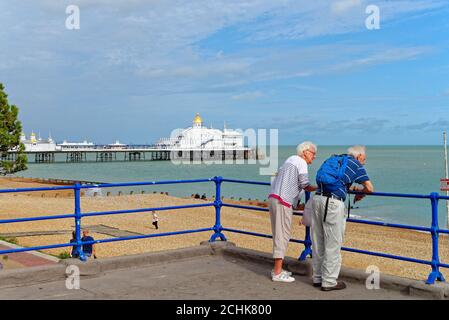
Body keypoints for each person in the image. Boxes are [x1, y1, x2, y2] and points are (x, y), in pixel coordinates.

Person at [312, 145, 374, 291]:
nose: (364, 163)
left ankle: (317, 277)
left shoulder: (335, 159)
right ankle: (329, 281)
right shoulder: (356, 165)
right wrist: (362, 192)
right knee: (333, 243)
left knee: (318, 240)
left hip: (318, 199)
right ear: (358, 156)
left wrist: (350, 188)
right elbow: (370, 188)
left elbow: (338, 181)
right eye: (364, 159)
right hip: (333, 203)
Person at [268, 141, 318, 282]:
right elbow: (305, 184)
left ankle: (277, 269)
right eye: (313, 154)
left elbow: (275, 178)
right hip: (282, 201)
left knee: (278, 233)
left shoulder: (289, 160)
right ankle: (277, 273)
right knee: (282, 235)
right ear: (305, 152)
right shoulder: (301, 162)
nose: (314, 157)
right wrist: (318, 188)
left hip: (274, 197)